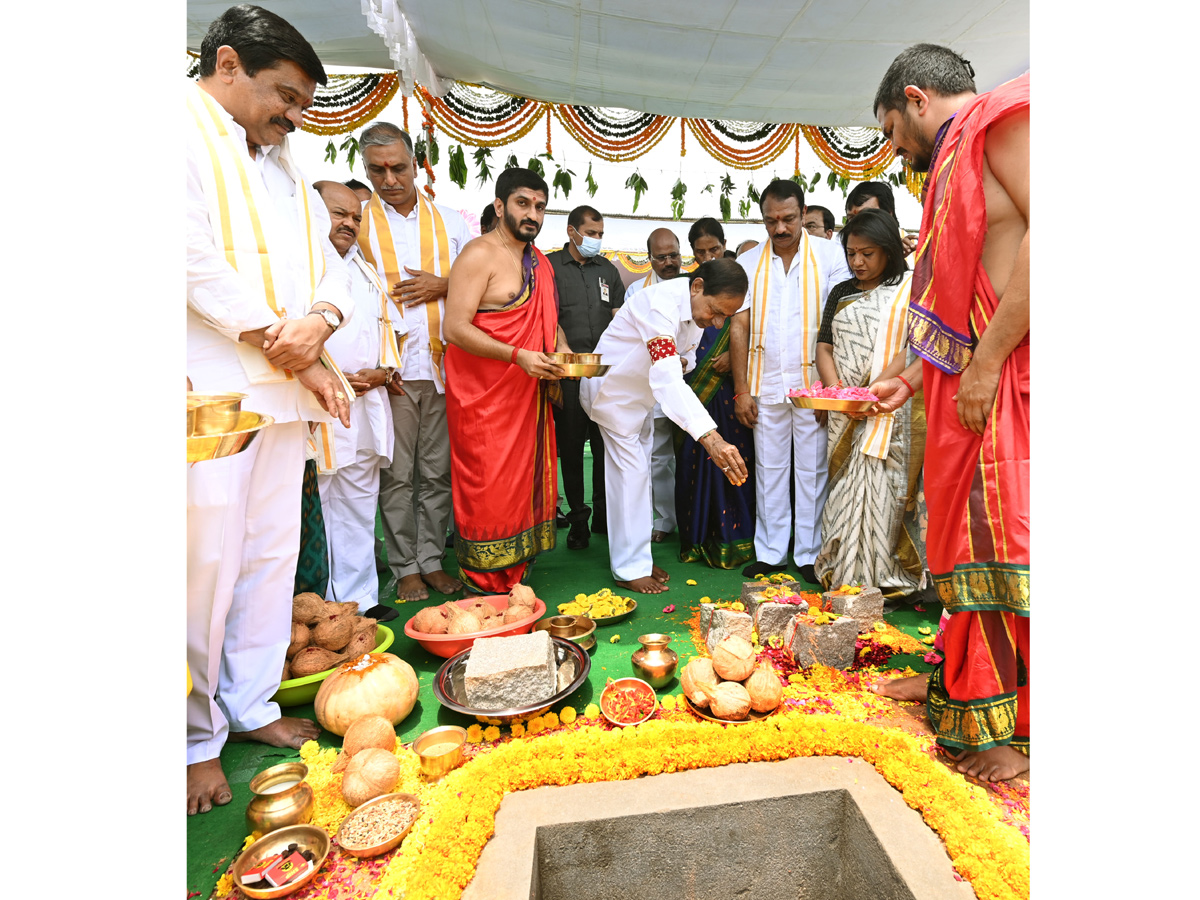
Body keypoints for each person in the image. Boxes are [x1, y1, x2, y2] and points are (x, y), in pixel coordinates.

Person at [186, 3, 354, 815]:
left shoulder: (285, 158)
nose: (292, 115)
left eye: (302, 103)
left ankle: (249, 708)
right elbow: (183, 258)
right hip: (209, 391)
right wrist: (273, 335)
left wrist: (318, 326)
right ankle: (187, 740)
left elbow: (332, 267)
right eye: (283, 95)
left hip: (285, 388)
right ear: (226, 65)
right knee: (198, 570)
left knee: (268, 556)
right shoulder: (169, 129)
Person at [868, 44, 1030, 783]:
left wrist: (990, 361)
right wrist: (908, 378)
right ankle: (956, 688)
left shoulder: (1000, 122)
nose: (896, 149)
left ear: (916, 98)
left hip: (1007, 378)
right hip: (967, 383)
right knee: (961, 547)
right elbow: (950, 304)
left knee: (1000, 549)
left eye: (894, 131)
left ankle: (1010, 728)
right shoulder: (950, 161)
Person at [356, 121, 473, 601]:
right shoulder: (357, 223)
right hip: (393, 374)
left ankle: (432, 559)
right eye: (376, 170)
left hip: (444, 368)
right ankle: (405, 565)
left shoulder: (452, 222)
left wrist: (444, 285)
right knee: (397, 473)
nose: (388, 179)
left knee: (437, 471)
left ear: (416, 164)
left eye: (398, 167)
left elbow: (480, 286)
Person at [581, 258, 750, 592]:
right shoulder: (660, 304)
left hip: (639, 397)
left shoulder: (696, 306)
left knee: (640, 477)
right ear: (698, 286)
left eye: (724, 318)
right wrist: (711, 438)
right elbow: (668, 376)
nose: (715, 322)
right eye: (714, 311)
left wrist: (679, 361)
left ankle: (638, 558)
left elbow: (683, 361)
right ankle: (629, 568)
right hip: (613, 395)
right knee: (630, 479)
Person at [442, 168, 571, 592]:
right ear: (499, 206)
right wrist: (518, 356)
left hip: (527, 397)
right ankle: (483, 582)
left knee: (523, 487)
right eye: (522, 203)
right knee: (489, 489)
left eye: (539, 207)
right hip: (485, 400)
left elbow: (550, 324)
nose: (532, 214)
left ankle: (516, 578)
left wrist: (564, 352)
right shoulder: (478, 254)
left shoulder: (542, 264)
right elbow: (455, 328)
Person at [729, 179, 851, 584]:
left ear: (802, 214)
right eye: (771, 221)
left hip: (812, 385)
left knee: (812, 470)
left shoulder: (831, 255)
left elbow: (840, 323)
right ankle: (770, 552)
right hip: (764, 384)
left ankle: (808, 554)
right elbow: (740, 327)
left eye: (788, 219)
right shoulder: (749, 262)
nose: (779, 229)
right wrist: (742, 389)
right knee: (770, 467)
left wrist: (831, 389)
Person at [812, 209, 924, 595]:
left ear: (889, 251)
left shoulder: (911, 289)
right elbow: (823, 345)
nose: (857, 262)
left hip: (888, 409)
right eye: (851, 253)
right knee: (844, 491)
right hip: (846, 412)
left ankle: (885, 580)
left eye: (868, 253)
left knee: (885, 494)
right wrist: (840, 395)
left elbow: (914, 349)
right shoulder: (841, 292)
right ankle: (841, 572)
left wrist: (871, 392)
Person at [312, 181, 407, 608]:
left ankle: (359, 601)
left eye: (355, 217)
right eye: (338, 214)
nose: (349, 223)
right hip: (317, 403)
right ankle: (319, 605)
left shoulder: (364, 268)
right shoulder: (303, 261)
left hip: (367, 405)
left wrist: (384, 371)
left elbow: (391, 329)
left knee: (357, 503)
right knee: (319, 506)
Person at [676, 218, 757, 568]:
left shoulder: (738, 289)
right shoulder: (688, 292)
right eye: (700, 251)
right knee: (696, 462)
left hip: (728, 392)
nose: (708, 255)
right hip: (694, 389)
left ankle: (733, 538)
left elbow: (748, 330)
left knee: (734, 459)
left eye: (714, 249)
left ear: (725, 245)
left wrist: (734, 358)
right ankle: (697, 538)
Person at [546, 205, 626, 549]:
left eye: (599, 235)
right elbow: (542, 316)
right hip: (568, 376)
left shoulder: (607, 269)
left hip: (605, 378)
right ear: (571, 232)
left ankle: (605, 516)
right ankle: (578, 520)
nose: (595, 240)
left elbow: (620, 318)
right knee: (573, 449)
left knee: (606, 448)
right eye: (590, 233)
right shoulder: (549, 268)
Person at [626, 227, 684, 543]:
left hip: (691, 381)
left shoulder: (694, 287)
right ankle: (664, 520)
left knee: (688, 455)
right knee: (657, 456)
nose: (668, 262)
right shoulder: (637, 292)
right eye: (661, 257)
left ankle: (691, 517)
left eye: (673, 255)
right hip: (653, 383)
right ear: (649, 259)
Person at [845, 181, 918, 256]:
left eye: (866, 216)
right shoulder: (839, 252)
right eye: (852, 218)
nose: (857, 224)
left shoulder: (913, 248)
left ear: (888, 214)